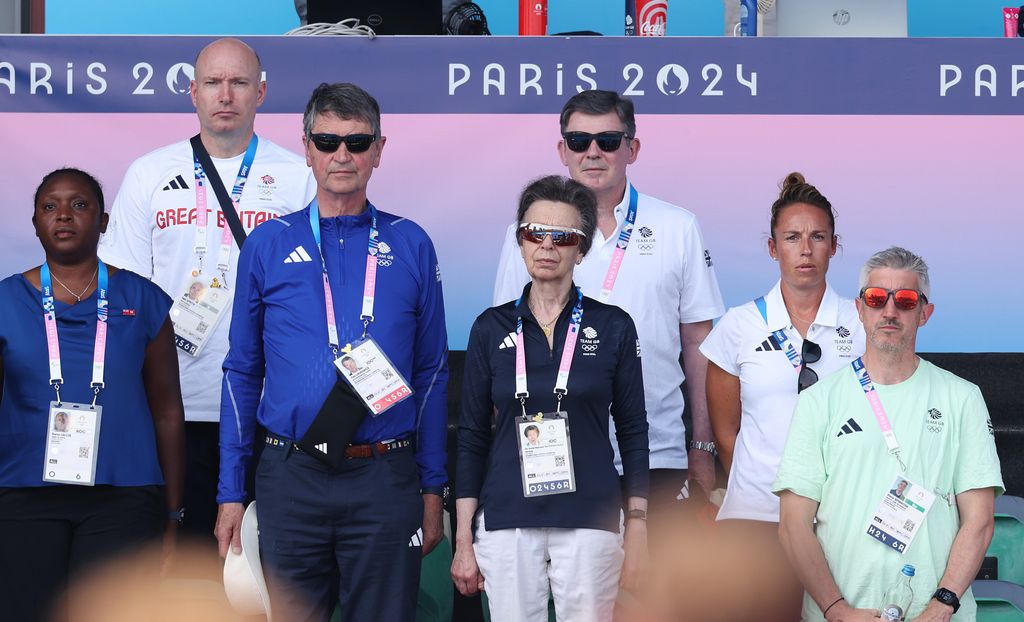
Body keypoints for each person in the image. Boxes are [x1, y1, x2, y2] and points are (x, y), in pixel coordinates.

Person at [215, 82, 449, 622]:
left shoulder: (411, 242)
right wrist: (231, 491)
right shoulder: (268, 244)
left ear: (379, 150)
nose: (342, 155)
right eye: (327, 141)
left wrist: (432, 488)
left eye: (357, 141)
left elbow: (433, 372)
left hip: (384, 477)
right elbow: (242, 371)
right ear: (306, 147)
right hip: (291, 474)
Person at [99, 38, 316, 540]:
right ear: (191, 92)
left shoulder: (298, 177)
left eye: (239, 83)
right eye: (213, 83)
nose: (225, 95)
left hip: (267, 408)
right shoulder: (149, 173)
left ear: (260, 93)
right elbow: (121, 292)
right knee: (175, 563)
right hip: (169, 404)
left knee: (254, 575)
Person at [493, 90, 724, 509]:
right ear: (563, 150)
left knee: (656, 577)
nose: (593, 152)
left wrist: (703, 446)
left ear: (632, 148)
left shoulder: (678, 227)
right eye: (580, 141)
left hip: (658, 451)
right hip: (553, 455)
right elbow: (505, 344)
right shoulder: (527, 235)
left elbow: (698, 344)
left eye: (609, 141)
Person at [454, 175, 649, 622]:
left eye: (562, 237)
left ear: (581, 249)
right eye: (533, 233)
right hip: (507, 519)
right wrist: (464, 537)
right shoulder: (490, 327)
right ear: (520, 243)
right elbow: (470, 438)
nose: (546, 246)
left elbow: (635, 432)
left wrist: (637, 528)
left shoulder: (615, 326)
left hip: (590, 518)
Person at [774, 247, 1004, 621]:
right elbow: (793, 525)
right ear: (860, 309)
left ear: (925, 314)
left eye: (907, 301)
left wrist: (943, 604)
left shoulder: (963, 397)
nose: (890, 311)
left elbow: (979, 520)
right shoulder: (818, 400)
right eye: (877, 298)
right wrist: (838, 611)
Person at [0, 168, 185, 622]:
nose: (64, 215)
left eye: (80, 205)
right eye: (50, 206)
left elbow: (166, 412)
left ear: (103, 222)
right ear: (36, 222)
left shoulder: (142, 298)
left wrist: (173, 510)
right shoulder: (5, 302)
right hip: (25, 497)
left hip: (124, 497)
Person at [699, 173, 865, 619]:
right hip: (756, 515)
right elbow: (726, 432)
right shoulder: (738, 325)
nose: (805, 250)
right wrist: (767, 489)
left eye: (818, 237)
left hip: (839, 517)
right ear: (773, 248)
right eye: (792, 238)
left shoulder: (862, 322)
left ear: (835, 245)